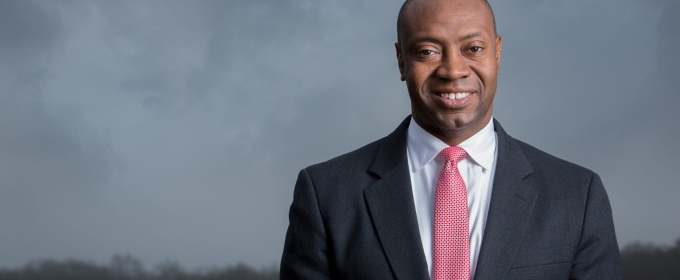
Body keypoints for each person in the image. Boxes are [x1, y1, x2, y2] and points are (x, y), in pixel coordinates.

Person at [280, 0, 623, 279]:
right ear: (401, 60)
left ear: (497, 53)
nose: (453, 70)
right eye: (428, 51)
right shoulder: (326, 193)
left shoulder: (578, 195)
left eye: (473, 47)